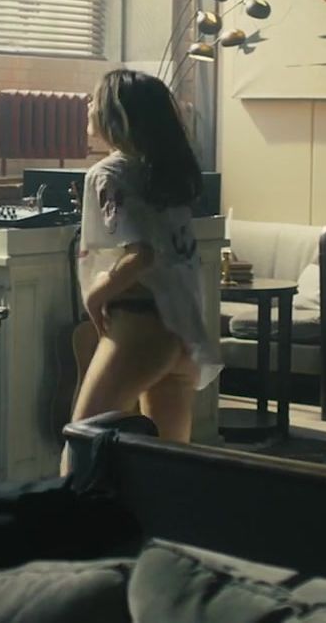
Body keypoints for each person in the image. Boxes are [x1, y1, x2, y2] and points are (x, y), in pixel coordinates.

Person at [62, 69, 221, 475]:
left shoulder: (108, 174)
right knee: (168, 467)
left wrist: (96, 294)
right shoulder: (165, 176)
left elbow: (141, 255)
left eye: (95, 100)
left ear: (116, 115)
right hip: (182, 331)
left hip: (139, 327)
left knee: (82, 446)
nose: (88, 105)